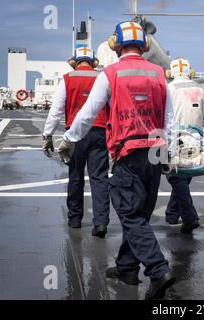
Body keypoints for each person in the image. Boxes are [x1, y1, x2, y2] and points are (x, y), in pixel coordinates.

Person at [56, 21, 176, 300]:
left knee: (130, 215)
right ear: (145, 45)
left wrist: (69, 140)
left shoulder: (111, 73)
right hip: (156, 151)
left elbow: (88, 114)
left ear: (117, 45)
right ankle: (127, 267)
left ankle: (158, 270)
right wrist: (169, 153)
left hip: (128, 152)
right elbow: (169, 119)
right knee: (142, 214)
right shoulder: (159, 73)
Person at [42, 47, 110, 238]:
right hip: (99, 131)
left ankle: (75, 219)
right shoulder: (102, 77)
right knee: (99, 178)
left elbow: (56, 110)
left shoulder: (68, 78)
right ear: (92, 61)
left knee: (76, 176)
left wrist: (47, 135)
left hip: (75, 133)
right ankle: (101, 222)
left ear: (75, 61)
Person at [164, 57, 204, 233]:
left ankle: (189, 217)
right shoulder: (201, 88)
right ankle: (171, 214)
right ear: (190, 72)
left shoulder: (169, 88)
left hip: (176, 139)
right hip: (196, 140)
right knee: (184, 178)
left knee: (176, 177)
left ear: (171, 73)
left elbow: (164, 117)